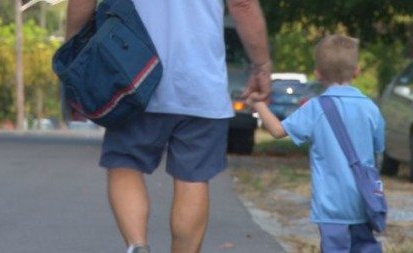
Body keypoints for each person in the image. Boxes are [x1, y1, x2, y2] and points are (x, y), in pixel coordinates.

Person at [65, 0, 272, 253]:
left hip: (132, 76)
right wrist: (261, 65)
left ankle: (137, 246)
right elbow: (242, 5)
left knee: (125, 163)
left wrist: (74, 49)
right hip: (200, 83)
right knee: (193, 178)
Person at [248, 34, 385, 253]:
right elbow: (378, 149)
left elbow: (277, 130)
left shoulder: (316, 108)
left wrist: (258, 104)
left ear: (318, 74)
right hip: (364, 200)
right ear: (357, 71)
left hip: (331, 206)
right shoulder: (371, 109)